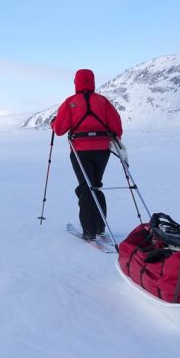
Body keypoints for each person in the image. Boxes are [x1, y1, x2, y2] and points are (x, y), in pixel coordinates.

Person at [51, 69, 123, 241]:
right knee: (95, 185)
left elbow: (59, 129)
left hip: (80, 151)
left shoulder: (70, 102)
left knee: (86, 187)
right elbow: (117, 127)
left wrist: (53, 123)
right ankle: (99, 226)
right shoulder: (103, 101)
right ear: (92, 82)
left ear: (76, 82)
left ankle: (89, 230)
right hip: (102, 151)